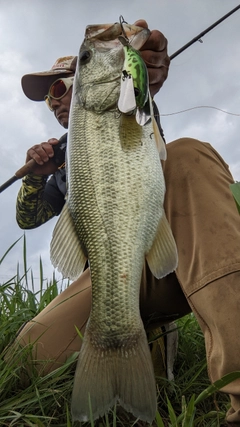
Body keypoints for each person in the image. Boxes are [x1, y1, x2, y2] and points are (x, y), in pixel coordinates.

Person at [10, 19, 240, 426]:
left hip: (168, 259)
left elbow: (141, 124)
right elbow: (27, 220)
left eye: (61, 87)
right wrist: (35, 175)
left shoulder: (129, 109)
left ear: (84, 79)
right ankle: (133, 349)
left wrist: (143, 82)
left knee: (187, 156)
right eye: (48, 100)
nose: (55, 101)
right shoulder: (63, 167)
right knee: (27, 355)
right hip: (107, 279)